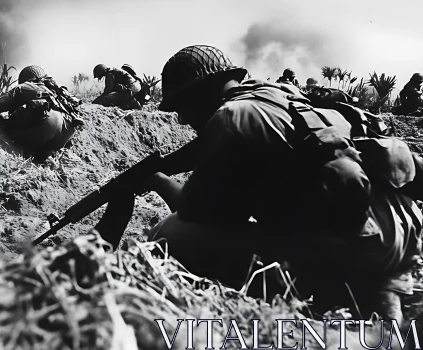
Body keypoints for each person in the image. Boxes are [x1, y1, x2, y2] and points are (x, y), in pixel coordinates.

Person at [136, 45, 421, 320]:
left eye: (182, 106)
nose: (183, 119)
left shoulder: (229, 116)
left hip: (351, 243)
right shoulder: (280, 94)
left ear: (201, 91)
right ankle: (379, 297)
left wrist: (157, 179)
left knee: (170, 233)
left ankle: (328, 287)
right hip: (398, 230)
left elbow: (196, 213)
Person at [0, 65, 83, 159]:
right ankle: (44, 153)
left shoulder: (23, 87)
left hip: (45, 128)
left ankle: (31, 151)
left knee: (4, 126)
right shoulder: (57, 92)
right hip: (64, 136)